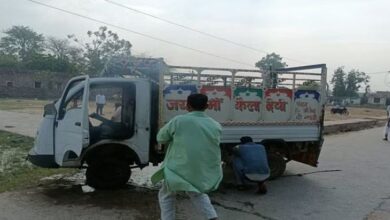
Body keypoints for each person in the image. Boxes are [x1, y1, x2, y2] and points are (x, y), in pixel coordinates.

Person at [151, 93, 222, 220]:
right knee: (197, 193)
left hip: (177, 168)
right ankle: (211, 217)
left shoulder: (179, 120)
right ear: (207, 106)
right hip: (199, 168)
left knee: (166, 195)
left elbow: (161, 138)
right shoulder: (215, 125)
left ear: (187, 106)